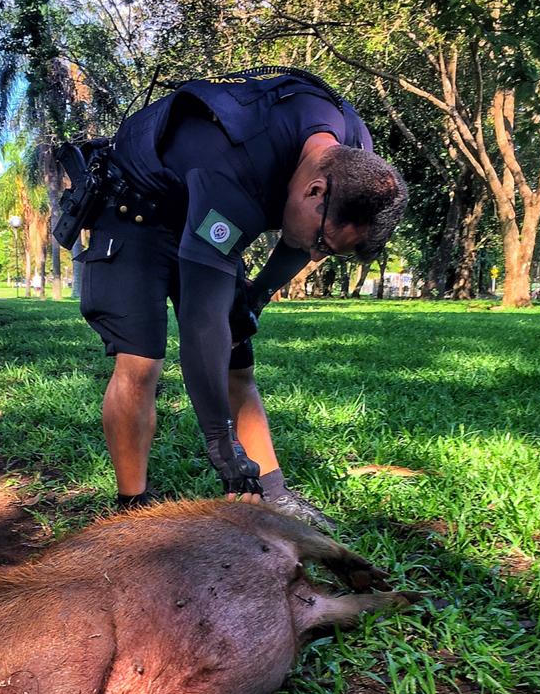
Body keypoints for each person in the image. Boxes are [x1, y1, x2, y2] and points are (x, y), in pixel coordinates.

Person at [74, 68, 407, 524]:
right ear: (314, 190)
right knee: (142, 360)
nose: (315, 255)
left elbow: (294, 244)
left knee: (237, 359)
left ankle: (275, 494)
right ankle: (132, 508)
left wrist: (258, 295)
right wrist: (222, 446)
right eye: (322, 245)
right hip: (135, 211)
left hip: (200, 210)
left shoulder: (353, 159)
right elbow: (201, 326)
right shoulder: (236, 166)